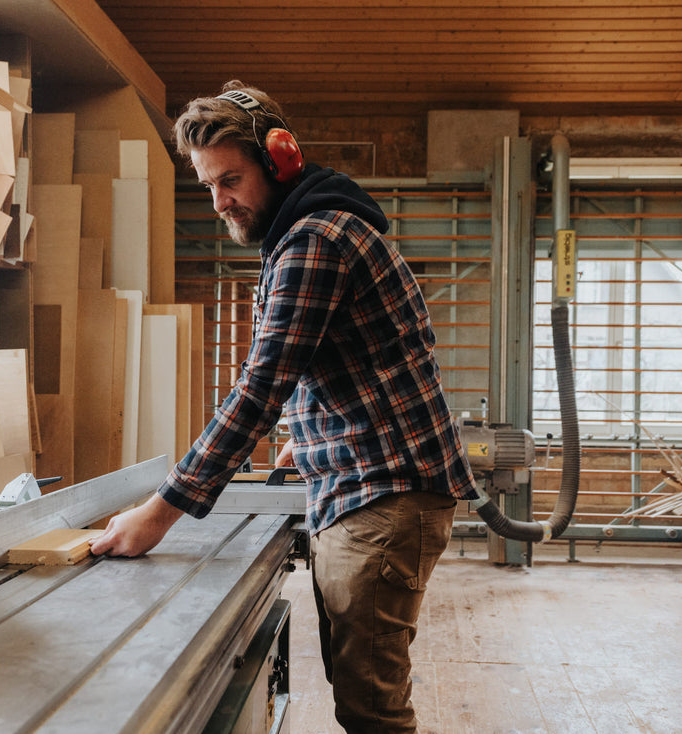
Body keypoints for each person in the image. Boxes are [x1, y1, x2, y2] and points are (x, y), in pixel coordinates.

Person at [89, 81, 478, 733]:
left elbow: (259, 388)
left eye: (231, 180)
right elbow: (354, 356)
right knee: (361, 695)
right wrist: (315, 429)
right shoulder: (315, 229)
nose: (220, 202)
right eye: (209, 186)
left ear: (280, 160)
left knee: (373, 712)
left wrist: (159, 513)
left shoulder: (313, 242)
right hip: (371, 485)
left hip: (381, 496)